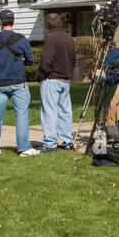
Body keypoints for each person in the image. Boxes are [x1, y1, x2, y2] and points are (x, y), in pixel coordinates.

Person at [0, 9, 38, 155]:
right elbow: (30, 60)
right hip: (17, 80)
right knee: (21, 114)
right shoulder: (21, 39)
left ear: (0, 22)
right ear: (13, 21)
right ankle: (24, 147)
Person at [39, 11, 76, 151]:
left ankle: (50, 142)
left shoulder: (51, 38)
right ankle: (67, 141)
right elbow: (73, 60)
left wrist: (43, 73)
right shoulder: (69, 38)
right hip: (65, 79)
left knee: (49, 111)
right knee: (65, 111)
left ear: (48, 24)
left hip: (51, 78)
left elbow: (46, 61)